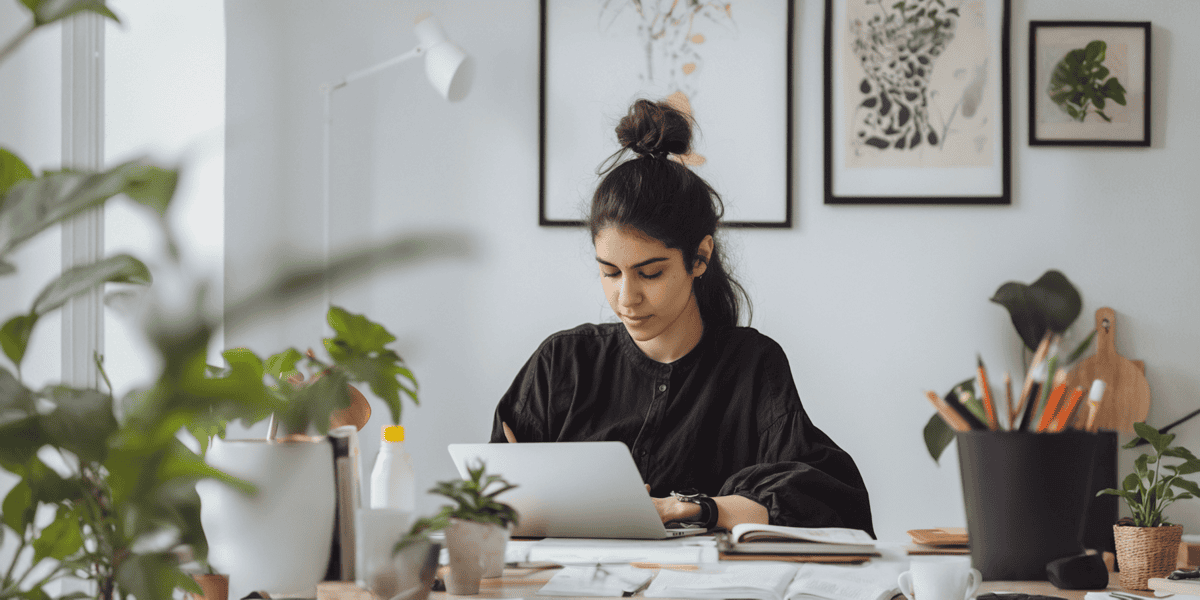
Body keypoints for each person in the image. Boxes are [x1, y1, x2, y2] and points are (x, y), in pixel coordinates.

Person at [489, 98, 874, 536]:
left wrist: (688, 508)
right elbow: (489, 502)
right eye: (609, 272)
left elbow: (827, 503)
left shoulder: (751, 366)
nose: (625, 297)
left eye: (650, 273)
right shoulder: (563, 362)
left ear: (700, 257)